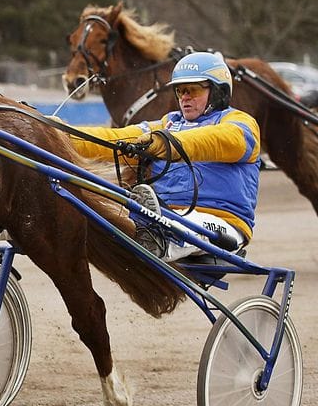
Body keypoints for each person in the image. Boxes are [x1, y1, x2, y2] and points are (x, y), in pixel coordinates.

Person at [71, 51, 261, 261]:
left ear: (217, 91)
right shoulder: (168, 123)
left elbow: (218, 139)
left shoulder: (240, 123)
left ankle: (155, 240)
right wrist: (59, 134)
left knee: (178, 224)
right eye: (180, 91)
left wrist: (165, 143)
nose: (185, 97)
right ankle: (150, 233)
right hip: (165, 215)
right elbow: (115, 138)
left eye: (193, 90)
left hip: (223, 224)